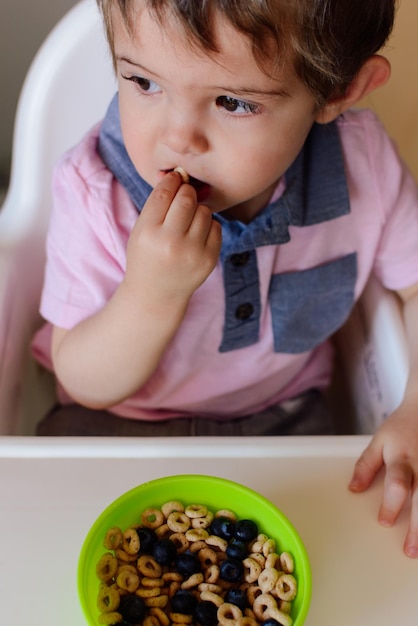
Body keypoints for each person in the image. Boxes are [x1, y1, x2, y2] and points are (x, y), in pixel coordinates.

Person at [32, 0, 418, 557]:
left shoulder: (364, 163)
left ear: (339, 93)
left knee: (344, 557)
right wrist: (150, 295)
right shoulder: (95, 190)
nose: (178, 138)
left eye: (233, 101)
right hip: (113, 426)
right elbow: (82, 380)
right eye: (142, 81)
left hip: (283, 419)